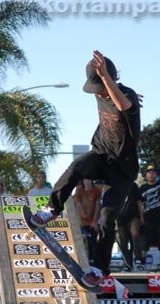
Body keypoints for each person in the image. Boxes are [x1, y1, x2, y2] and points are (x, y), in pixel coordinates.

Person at [28, 50, 141, 287]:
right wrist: (109, 83)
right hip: (101, 153)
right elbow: (118, 97)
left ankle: (100, 269)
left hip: (123, 169)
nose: (97, 92)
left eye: (100, 86)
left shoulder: (124, 96)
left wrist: (112, 83)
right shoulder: (113, 93)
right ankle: (53, 208)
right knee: (76, 166)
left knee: (108, 217)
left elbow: (122, 103)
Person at [116, 180, 145, 269]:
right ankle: (127, 263)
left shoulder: (133, 185)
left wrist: (141, 215)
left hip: (133, 215)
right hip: (120, 217)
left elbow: (138, 201)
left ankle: (138, 258)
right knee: (123, 240)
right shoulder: (115, 185)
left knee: (135, 234)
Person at [73, 178, 102, 265]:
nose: (87, 182)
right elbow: (78, 205)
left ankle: (94, 262)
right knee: (81, 240)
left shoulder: (97, 190)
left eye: (89, 180)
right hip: (81, 219)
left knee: (93, 240)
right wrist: (83, 218)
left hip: (93, 218)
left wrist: (94, 221)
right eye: (85, 180)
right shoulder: (79, 190)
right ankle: (82, 261)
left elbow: (97, 206)